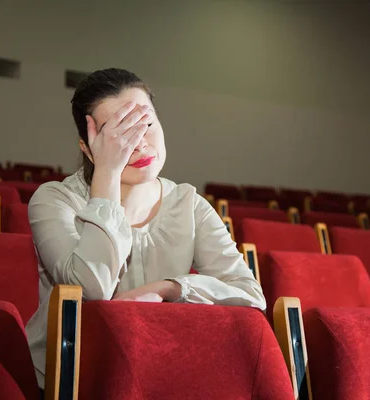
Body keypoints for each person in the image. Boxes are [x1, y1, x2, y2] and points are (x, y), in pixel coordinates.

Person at [25, 68, 266, 393]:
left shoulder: (189, 204)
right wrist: (107, 172)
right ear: (87, 147)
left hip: (152, 377)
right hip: (67, 380)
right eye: (119, 133)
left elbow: (251, 297)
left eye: (146, 124)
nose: (138, 142)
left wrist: (169, 288)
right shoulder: (54, 200)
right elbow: (91, 291)